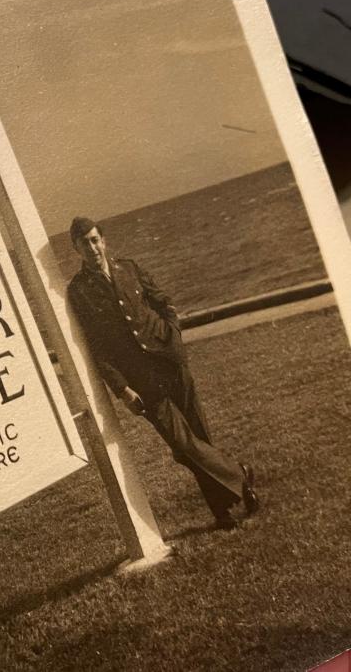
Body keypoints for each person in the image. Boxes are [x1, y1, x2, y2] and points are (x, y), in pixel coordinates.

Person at [66, 216, 258, 530]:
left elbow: (163, 302)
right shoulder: (80, 291)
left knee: (199, 434)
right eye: (84, 243)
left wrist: (174, 335)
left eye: (95, 239)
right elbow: (97, 347)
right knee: (184, 446)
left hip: (170, 361)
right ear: (75, 248)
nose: (92, 248)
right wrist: (122, 389)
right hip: (143, 380)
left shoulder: (128, 268)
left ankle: (225, 510)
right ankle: (240, 473)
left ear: (104, 240)